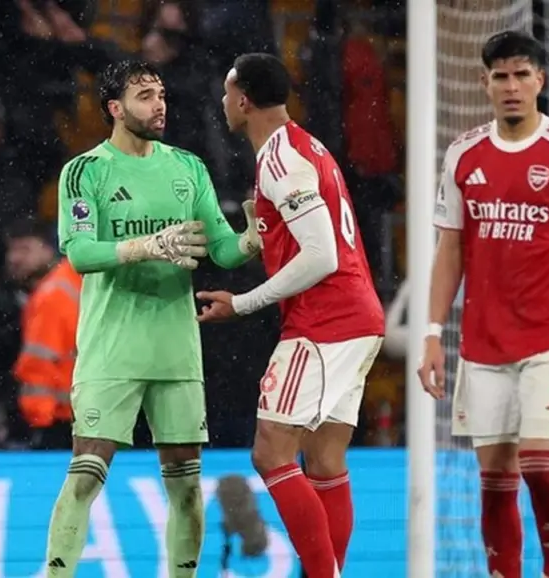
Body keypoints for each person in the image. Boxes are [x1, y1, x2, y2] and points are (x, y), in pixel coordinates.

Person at [44, 59, 261, 577]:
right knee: (85, 476)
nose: (159, 105)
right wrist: (145, 246)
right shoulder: (86, 171)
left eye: (161, 94)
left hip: (175, 349)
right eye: (145, 96)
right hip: (111, 346)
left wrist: (251, 241)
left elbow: (220, 248)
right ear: (115, 108)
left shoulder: (187, 168)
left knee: (186, 487)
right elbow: (80, 254)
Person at [417, 31, 549, 578]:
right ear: (484, 82)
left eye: (521, 75)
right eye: (501, 76)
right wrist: (432, 332)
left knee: (538, 462)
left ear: (539, 81)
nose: (511, 86)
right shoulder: (463, 154)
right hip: (483, 345)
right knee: (495, 481)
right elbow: (450, 248)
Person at [196, 53, 384, 578]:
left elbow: (321, 256)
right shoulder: (308, 146)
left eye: (227, 92)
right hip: (358, 316)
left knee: (271, 453)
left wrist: (243, 302)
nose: (223, 101)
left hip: (325, 322)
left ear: (243, 100)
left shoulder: (280, 160)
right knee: (323, 461)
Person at [7, 218, 81, 450]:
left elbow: (38, 365)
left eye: (25, 249)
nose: (14, 258)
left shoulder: (51, 294)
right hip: (88, 413)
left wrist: (38, 422)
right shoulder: (73, 280)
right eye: (12, 250)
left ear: (49, 249)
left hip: (60, 420)